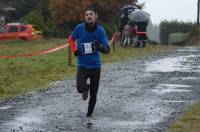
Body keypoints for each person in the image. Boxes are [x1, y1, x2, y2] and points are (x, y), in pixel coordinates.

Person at [68, 7, 110, 124]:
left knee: (94, 93)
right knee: (80, 88)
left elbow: (107, 50)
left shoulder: (100, 31)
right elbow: (71, 39)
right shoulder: (79, 28)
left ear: (95, 16)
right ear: (85, 17)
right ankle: (86, 88)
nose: (88, 16)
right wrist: (75, 49)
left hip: (95, 66)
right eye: (86, 14)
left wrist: (100, 46)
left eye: (91, 14)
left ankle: (88, 116)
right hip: (82, 65)